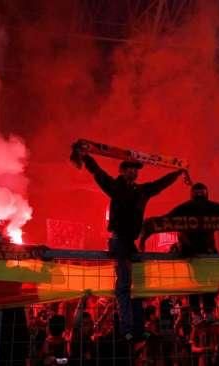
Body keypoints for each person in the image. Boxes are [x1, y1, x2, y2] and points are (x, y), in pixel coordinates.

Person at [73, 143, 185, 340]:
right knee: (124, 285)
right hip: (119, 241)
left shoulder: (142, 191)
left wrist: (177, 174)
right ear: (122, 171)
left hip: (130, 243)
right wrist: (86, 157)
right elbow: (98, 173)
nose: (133, 172)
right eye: (130, 168)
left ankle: (138, 328)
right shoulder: (116, 187)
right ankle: (127, 329)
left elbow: (159, 185)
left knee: (139, 284)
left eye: (136, 169)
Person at [165, 183, 219, 320]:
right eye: (197, 192)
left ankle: (204, 311)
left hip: (205, 250)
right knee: (195, 282)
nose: (199, 195)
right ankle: (198, 312)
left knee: (207, 281)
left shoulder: (209, 207)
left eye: (201, 192)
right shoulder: (186, 207)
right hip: (191, 250)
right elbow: (168, 217)